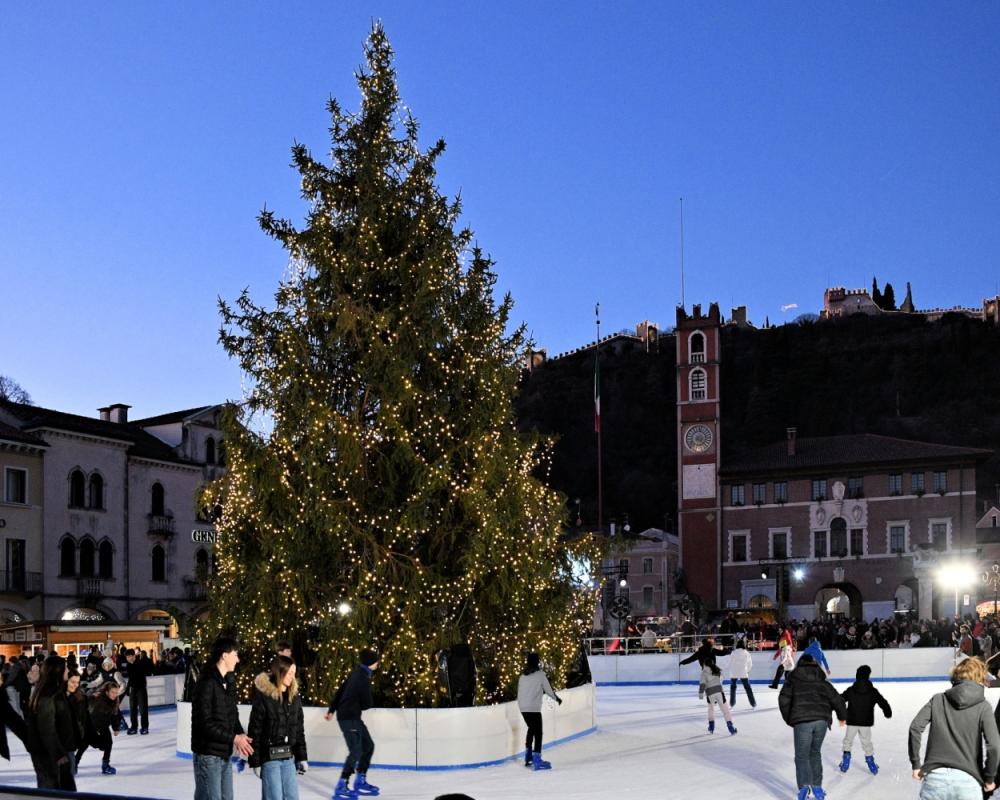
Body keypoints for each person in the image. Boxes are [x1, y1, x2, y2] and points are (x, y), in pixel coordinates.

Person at [909, 655, 998, 799]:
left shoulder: (938, 700)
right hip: (969, 782)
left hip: (935, 780)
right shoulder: (983, 707)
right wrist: (989, 778)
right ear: (979, 677)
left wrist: (916, 765)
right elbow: (993, 745)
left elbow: (915, 728)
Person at [191, 637, 254, 800]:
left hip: (223, 753)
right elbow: (204, 724)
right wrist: (234, 738)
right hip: (208, 754)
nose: (238, 659)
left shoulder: (228, 681)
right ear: (224, 655)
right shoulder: (206, 682)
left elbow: (232, 714)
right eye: (235, 654)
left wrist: (240, 735)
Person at [778, 653, 847, 800]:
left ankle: (803, 788)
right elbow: (837, 699)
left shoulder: (793, 680)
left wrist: (791, 719)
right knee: (814, 753)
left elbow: (783, 700)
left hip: (802, 722)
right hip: (821, 721)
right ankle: (817, 788)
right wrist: (842, 717)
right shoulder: (822, 682)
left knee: (802, 756)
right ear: (815, 665)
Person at [248, 655, 308, 800]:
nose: (292, 677)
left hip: (288, 758)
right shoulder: (264, 697)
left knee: (292, 797)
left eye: (294, 673)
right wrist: (255, 762)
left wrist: (302, 757)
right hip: (270, 759)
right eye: (289, 673)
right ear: (279, 672)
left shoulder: (294, 698)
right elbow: (255, 731)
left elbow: (298, 729)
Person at [325, 649, 380, 798]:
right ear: (370, 663)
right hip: (348, 718)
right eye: (376, 661)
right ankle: (341, 785)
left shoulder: (357, 673)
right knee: (356, 750)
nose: (378, 663)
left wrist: (332, 709)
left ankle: (360, 780)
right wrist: (358, 704)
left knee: (368, 745)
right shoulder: (362, 677)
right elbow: (367, 703)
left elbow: (340, 691)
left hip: (352, 717)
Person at [26, 654, 77, 790]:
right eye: (65, 668)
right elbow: (46, 728)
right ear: (57, 671)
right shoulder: (48, 694)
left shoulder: (56, 692)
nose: (67, 671)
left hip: (58, 752)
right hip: (51, 755)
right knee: (54, 791)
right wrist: (59, 754)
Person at [838, 664, 892, 775]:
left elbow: (841, 699)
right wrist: (887, 712)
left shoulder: (851, 690)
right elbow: (883, 702)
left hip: (852, 721)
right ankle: (871, 764)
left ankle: (845, 763)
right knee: (867, 743)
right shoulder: (872, 691)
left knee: (848, 741)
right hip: (865, 723)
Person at [516, 652, 562, 770]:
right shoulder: (540, 675)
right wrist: (557, 698)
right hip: (533, 708)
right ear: (537, 662)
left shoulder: (522, 676)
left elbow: (520, 692)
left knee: (531, 729)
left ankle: (528, 756)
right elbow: (548, 689)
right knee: (538, 733)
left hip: (522, 708)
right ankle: (537, 759)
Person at [78, 680, 122, 775]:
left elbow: (114, 715)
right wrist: (90, 695)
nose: (115, 695)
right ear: (107, 692)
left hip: (103, 727)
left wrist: (116, 728)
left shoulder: (114, 702)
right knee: (84, 744)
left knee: (108, 744)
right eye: (112, 692)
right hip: (91, 726)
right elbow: (84, 701)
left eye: (116, 692)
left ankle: (105, 766)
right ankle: (75, 763)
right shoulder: (97, 698)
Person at [124, 648, 152, 735]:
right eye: (127, 657)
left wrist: (141, 687)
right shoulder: (128, 666)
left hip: (141, 689)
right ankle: (134, 727)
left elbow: (143, 677)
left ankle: (144, 727)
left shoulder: (140, 664)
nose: (128, 658)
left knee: (143, 709)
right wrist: (127, 689)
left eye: (129, 656)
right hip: (133, 689)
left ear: (133, 656)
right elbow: (130, 678)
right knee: (132, 709)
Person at [704, 664, 737, 735]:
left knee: (711, 710)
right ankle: (731, 728)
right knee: (726, 711)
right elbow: (720, 682)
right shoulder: (719, 673)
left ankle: (711, 727)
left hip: (710, 693)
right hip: (719, 692)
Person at [728, 638, 756, 708]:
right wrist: (747, 671)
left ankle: (732, 703)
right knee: (748, 688)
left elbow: (730, 663)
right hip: (743, 672)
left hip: (734, 672)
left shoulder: (733, 652)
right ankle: (753, 703)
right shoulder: (746, 653)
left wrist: (731, 671)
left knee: (733, 688)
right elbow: (750, 664)